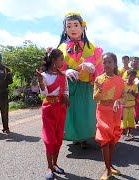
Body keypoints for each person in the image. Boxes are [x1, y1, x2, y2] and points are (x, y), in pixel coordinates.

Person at [58, 12, 103, 148]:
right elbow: (54, 68)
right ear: (65, 29)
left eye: (76, 25)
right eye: (69, 26)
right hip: (67, 87)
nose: (73, 29)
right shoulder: (60, 48)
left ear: (82, 28)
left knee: (85, 113)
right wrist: (65, 71)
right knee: (69, 114)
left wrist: (94, 70)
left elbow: (101, 70)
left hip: (85, 87)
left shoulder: (93, 49)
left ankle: (83, 137)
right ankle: (73, 136)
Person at [36, 48, 70, 180]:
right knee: (50, 139)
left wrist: (66, 96)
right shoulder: (44, 76)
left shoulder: (63, 75)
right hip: (49, 108)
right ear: (54, 61)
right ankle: (49, 167)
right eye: (61, 59)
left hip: (61, 108)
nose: (63, 61)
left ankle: (55, 164)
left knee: (59, 137)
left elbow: (66, 88)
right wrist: (40, 81)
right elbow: (44, 94)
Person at [93, 52, 126, 180]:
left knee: (113, 138)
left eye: (109, 62)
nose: (106, 65)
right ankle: (107, 169)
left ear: (115, 64)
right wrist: (100, 89)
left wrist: (119, 101)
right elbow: (95, 98)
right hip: (102, 111)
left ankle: (110, 165)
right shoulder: (98, 79)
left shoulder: (120, 80)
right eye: (104, 62)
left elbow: (124, 97)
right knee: (104, 139)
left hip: (115, 112)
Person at [122, 57, 139, 129]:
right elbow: (123, 79)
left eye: (137, 61)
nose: (135, 63)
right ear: (131, 62)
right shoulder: (127, 71)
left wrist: (138, 78)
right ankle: (127, 123)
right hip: (128, 91)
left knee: (138, 107)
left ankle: (136, 122)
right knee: (127, 106)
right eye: (134, 61)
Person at [121, 69, 138, 141]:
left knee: (131, 119)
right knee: (123, 119)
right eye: (131, 75)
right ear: (127, 76)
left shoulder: (135, 86)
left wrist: (132, 93)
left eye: (134, 76)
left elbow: (136, 96)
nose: (132, 77)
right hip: (124, 105)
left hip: (131, 105)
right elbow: (120, 94)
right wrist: (126, 92)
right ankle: (123, 133)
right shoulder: (123, 84)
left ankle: (129, 133)